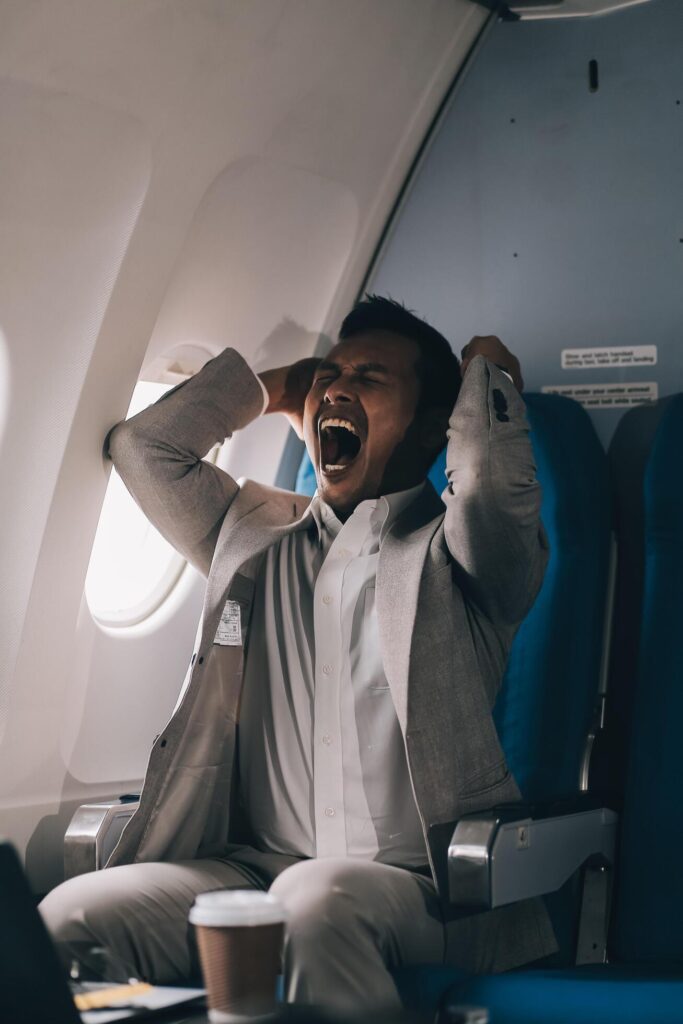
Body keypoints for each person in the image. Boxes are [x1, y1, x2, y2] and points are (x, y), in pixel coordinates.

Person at [41, 295, 557, 1010]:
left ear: (430, 424)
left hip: (425, 887)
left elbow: (491, 493)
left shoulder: (462, 556)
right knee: (68, 916)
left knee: (317, 897)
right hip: (250, 871)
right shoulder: (250, 534)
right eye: (330, 377)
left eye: (370, 379)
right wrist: (279, 387)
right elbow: (144, 448)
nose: (337, 389)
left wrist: (485, 383)